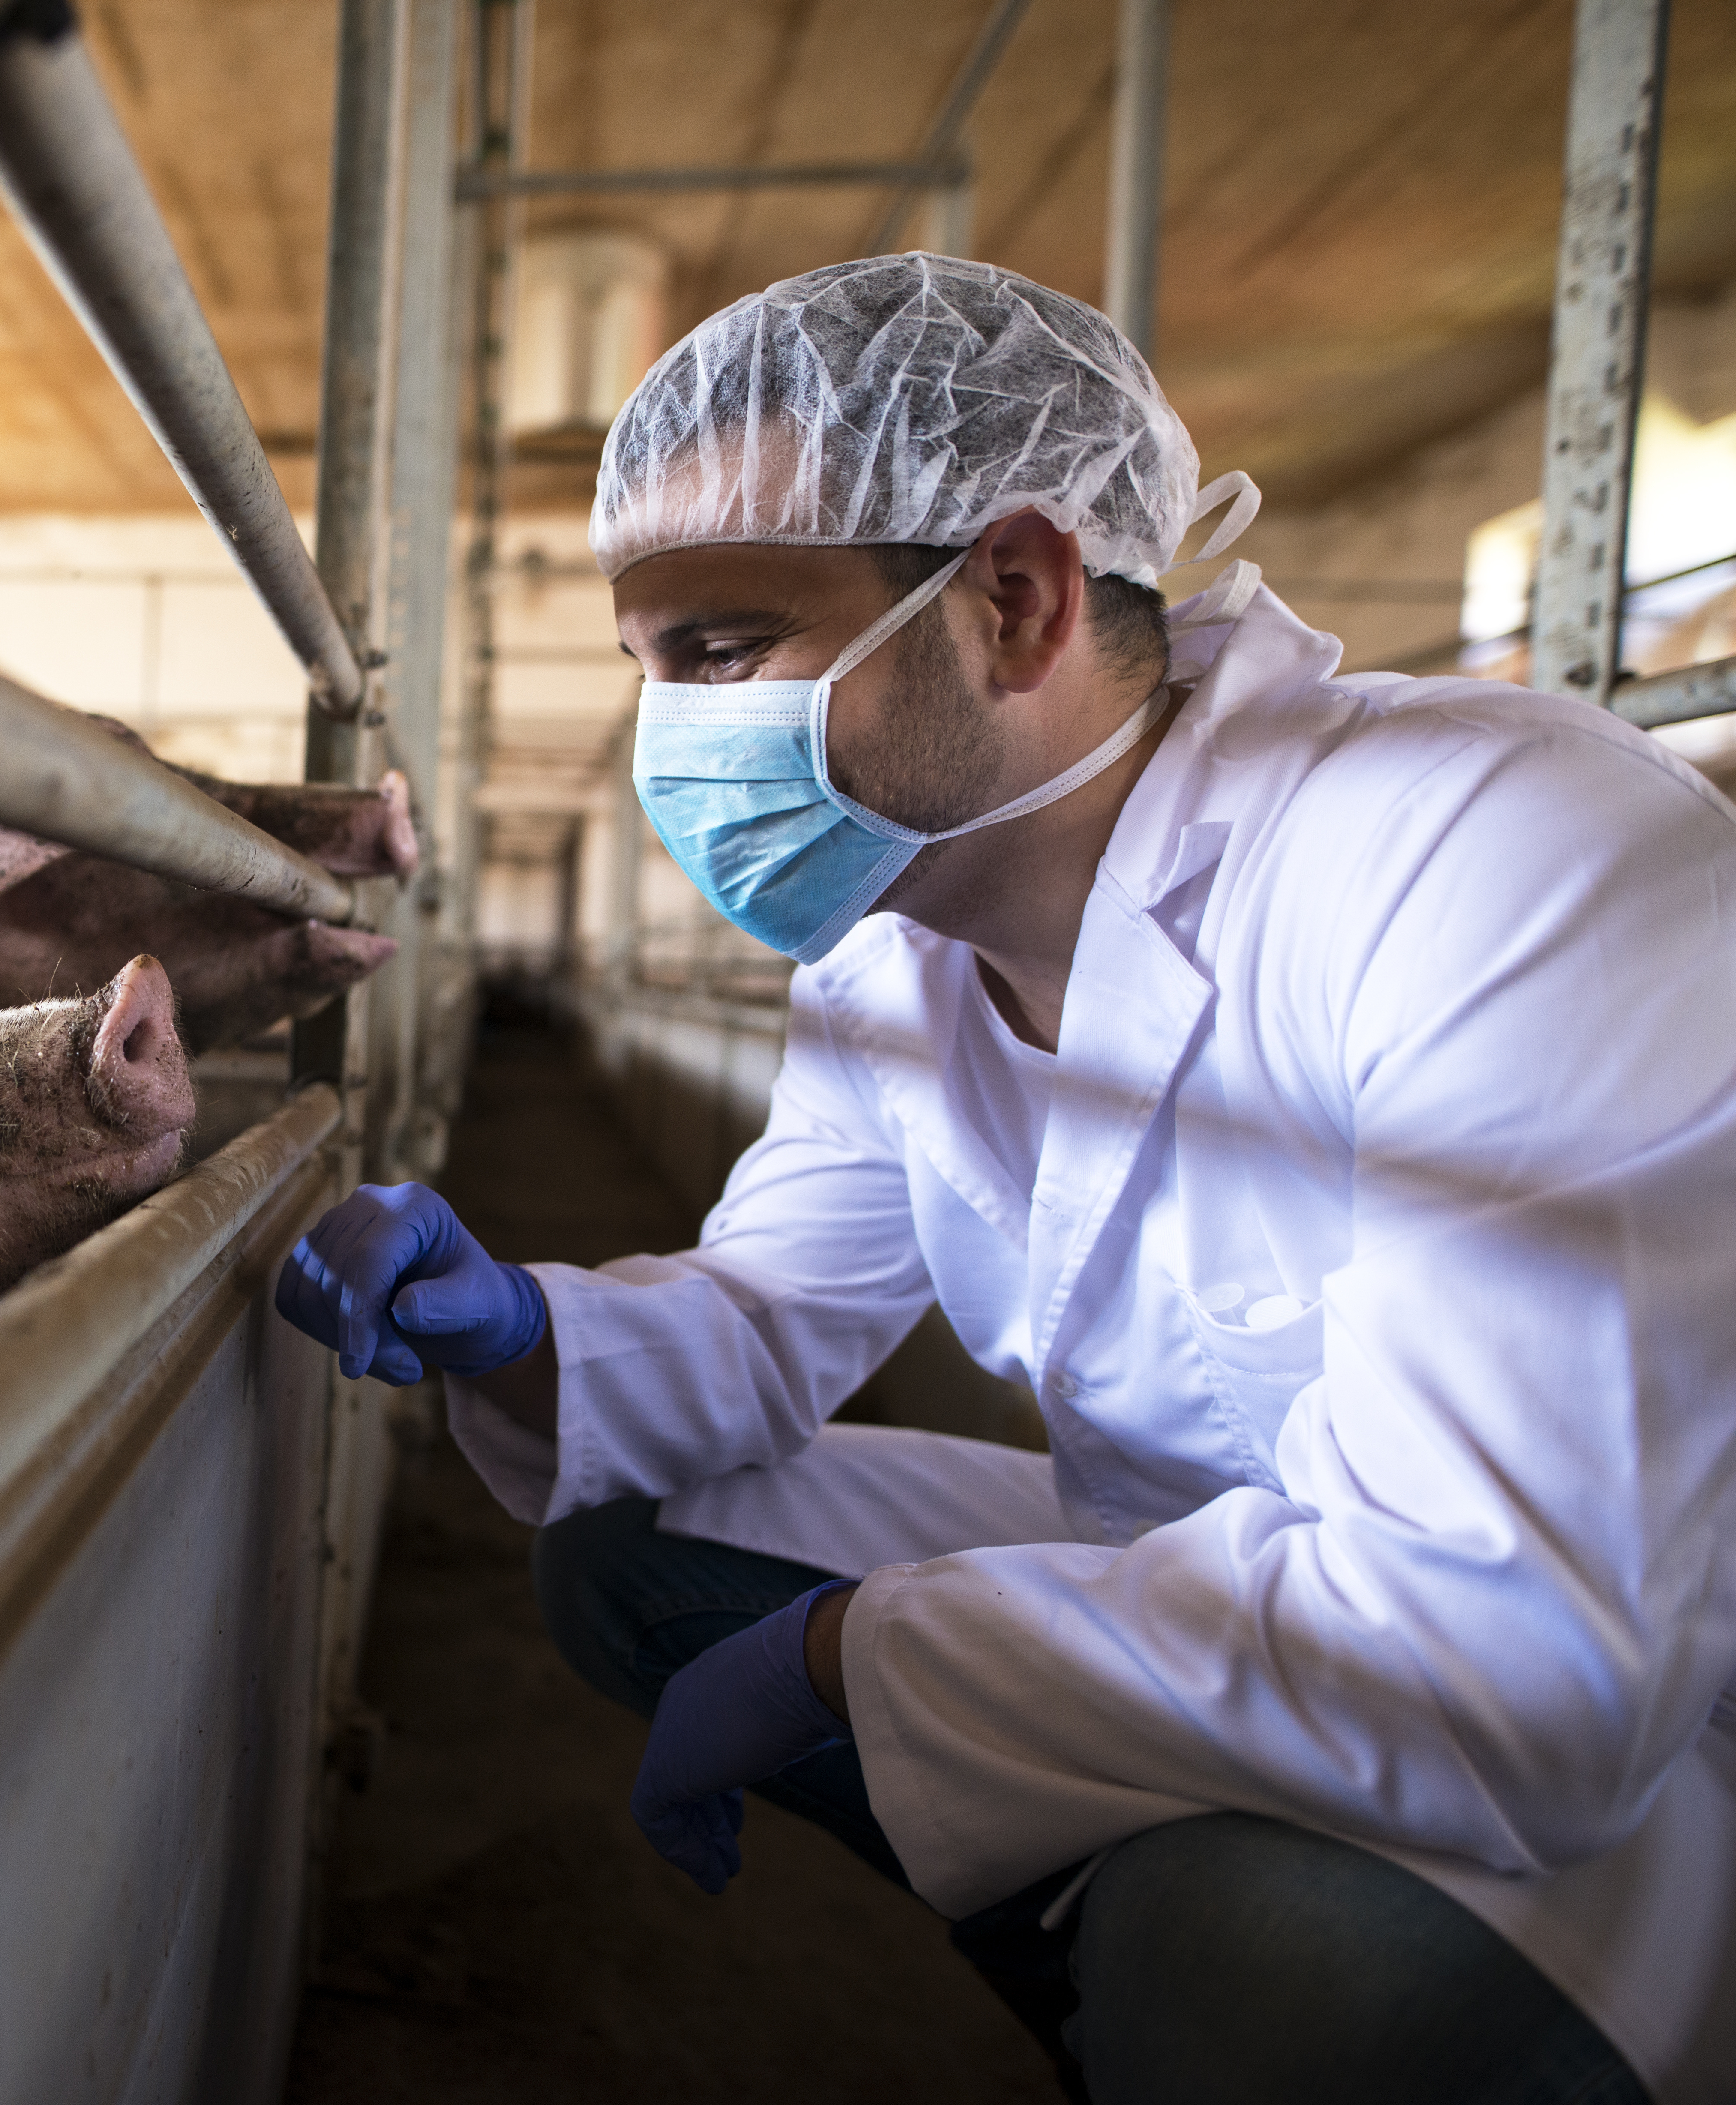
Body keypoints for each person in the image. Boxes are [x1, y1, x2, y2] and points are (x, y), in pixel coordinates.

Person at [276, 254, 1736, 2105]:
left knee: (1262, 1978)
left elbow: (1515, 1661)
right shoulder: (886, 951)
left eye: (723, 652)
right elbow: (768, 1317)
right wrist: (516, 1334)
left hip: (1617, 1710)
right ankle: (1094, 1917)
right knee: (628, 1556)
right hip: (1200, 1571)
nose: (674, 744)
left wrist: (840, 1650)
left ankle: (1190, 1951)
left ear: (1017, 599)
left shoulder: (1491, 853)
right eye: (648, 670)